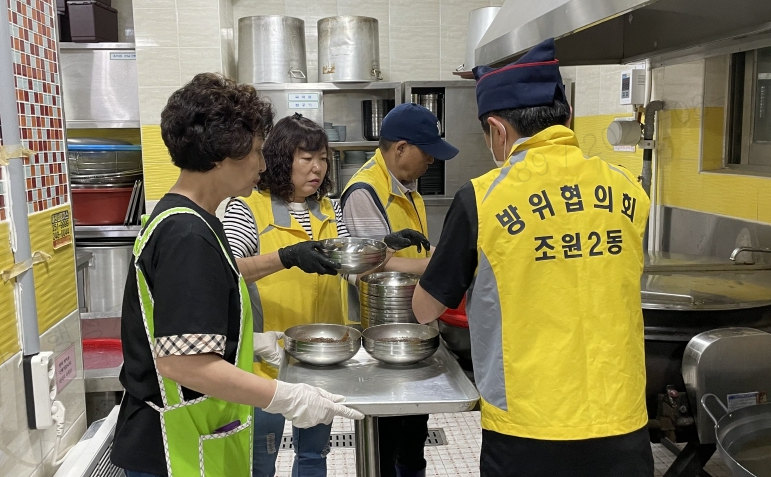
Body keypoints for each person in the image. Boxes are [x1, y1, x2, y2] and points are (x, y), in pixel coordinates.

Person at [411, 39, 654, 477]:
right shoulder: (628, 188)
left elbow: (426, 306)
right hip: (621, 420)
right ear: (569, 118)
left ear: (498, 131)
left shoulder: (481, 199)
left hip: (528, 427)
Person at [111, 74, 363, 477]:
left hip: (189, 437)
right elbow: (185, 365)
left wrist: (249, 343)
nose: (264, 165)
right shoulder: (187, 234)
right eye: (259, 152)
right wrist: (285, 396)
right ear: (222, 153)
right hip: (171, 451)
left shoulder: (192, 219)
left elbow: (186, 323)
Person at [223, 113, 429, 477]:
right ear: (281, 158)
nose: (317, 168)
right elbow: (229, 269)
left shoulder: (330, 208)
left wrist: (383, 249)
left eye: (322, 158)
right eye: (306, 159)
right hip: (268, 361)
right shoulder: (248, 207)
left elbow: (354, 268)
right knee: (261, 459)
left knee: (314, 455)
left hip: (322, 355)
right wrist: (285, 258)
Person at [340, 103, 459, 477]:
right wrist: (439, 265)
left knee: (412, 443)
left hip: (413, 331)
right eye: (427, 153)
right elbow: (372, 266)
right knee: (386, 445)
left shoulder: (408, 189)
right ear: (401, 148)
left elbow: (415, 253)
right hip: (380, 338)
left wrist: (447, 255)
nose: (431, 162)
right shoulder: (364, 191)